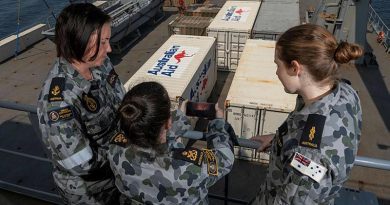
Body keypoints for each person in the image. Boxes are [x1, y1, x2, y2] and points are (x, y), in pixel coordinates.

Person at [250, 24, 363, 204]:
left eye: (278, 65)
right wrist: (282, 140)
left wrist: (298, 148)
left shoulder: (309, 156)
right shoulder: (344, 92)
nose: (276, 72)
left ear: (295, 68)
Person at [37, 3, 125, 204]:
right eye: (102, 42)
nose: (109, 49)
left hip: (118, 177)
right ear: (80, 41)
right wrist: (128, 149)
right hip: (90, 193)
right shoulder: (58, 103)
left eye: (108, 41)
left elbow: (120, 99)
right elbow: (81, 162)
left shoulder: (100, 64)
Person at [107, 81, 235, 204]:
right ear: (168, 122)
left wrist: (179, 116)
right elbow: (226, 157)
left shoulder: (114, 148)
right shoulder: (189, 168)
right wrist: (218, 122)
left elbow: (148, 133)